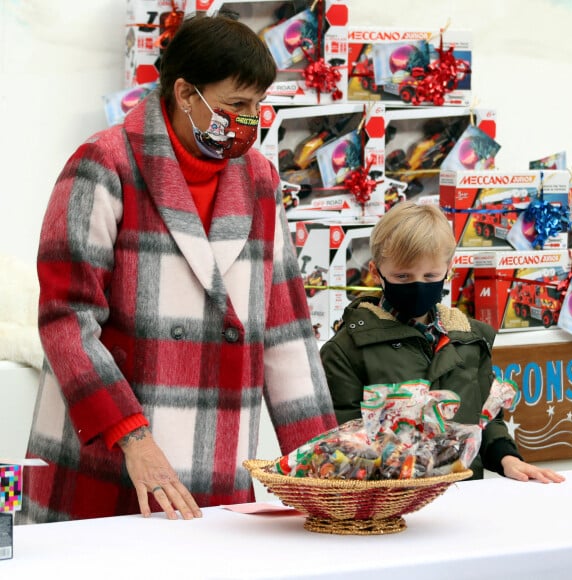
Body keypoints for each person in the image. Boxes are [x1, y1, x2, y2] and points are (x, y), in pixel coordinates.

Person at [18, 14, 337, 524]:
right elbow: (67, 321)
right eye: (236, 105)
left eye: (257, 106)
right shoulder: (102, 164)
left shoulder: (260, 180)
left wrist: (327, 469)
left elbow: (286, 332)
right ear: (186, 93)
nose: (250, 120)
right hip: (111, 455)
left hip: (216, 457)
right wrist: (133, 437)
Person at [320, 201, 564, 484]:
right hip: (390, 503)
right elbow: (344, 441)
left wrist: (506, 457)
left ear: (448, 270)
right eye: (402, 276)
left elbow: (487, 416)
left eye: (430, 276)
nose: (418, 285)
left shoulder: (470, 340)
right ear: (376, 272)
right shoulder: (346, 350)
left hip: (466, 499)